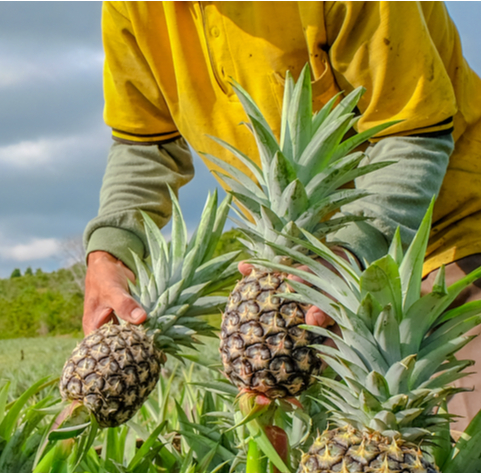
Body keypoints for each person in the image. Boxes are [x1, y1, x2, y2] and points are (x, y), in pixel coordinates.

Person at [83, 1, 481, 430]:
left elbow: (412, 129)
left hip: (450, 238)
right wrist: (110, 251)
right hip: (303, 275)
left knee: (463, 460)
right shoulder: (131, 7)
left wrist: (348, 251)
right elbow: (146, 143)